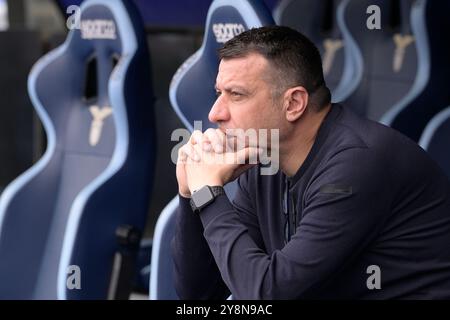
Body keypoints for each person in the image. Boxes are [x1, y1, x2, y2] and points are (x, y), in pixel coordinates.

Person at [171, 26, 450, 299]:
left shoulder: (357, 162)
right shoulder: (265, 159)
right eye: (219, 93)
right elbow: (199, 294)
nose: (215, 113)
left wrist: (208, 193)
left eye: (237, 94)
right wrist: (190, 192)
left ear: (294, 103)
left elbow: (267, 293)